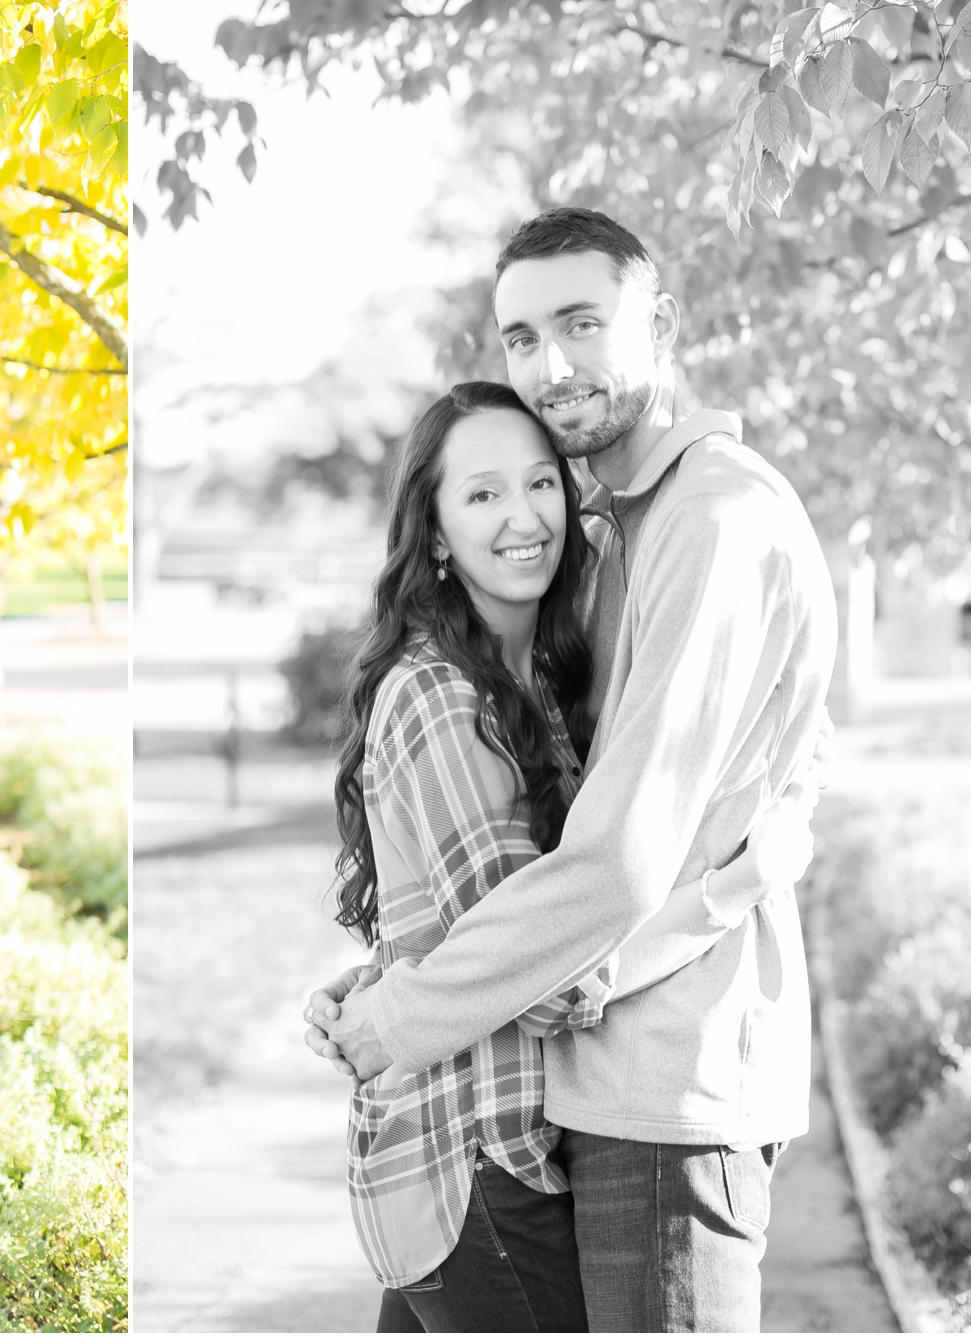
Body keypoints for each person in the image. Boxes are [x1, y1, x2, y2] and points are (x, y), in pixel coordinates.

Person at [307, 207, 837, 1332]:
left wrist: (396, 1016)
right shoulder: (615, 537)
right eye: (520, 337)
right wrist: (387, 975)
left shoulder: (711, 518)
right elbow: (523, 867)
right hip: (579, 1089)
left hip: (666, 1089)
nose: (550, 365)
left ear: (662, 324)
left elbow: (616, 862)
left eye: (582, 322)